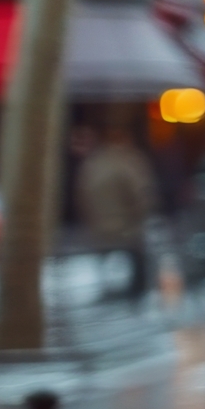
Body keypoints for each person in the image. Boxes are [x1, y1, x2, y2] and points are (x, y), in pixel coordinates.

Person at [76, 120, 158, 300]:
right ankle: (138, 293)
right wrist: (142, 215)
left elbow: (82, 196)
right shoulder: (127, 162)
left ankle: (109, 288)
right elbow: (140, 195)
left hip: (99, 228)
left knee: (112, 253)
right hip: (126, 228)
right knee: (140, 253)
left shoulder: (92, 164)